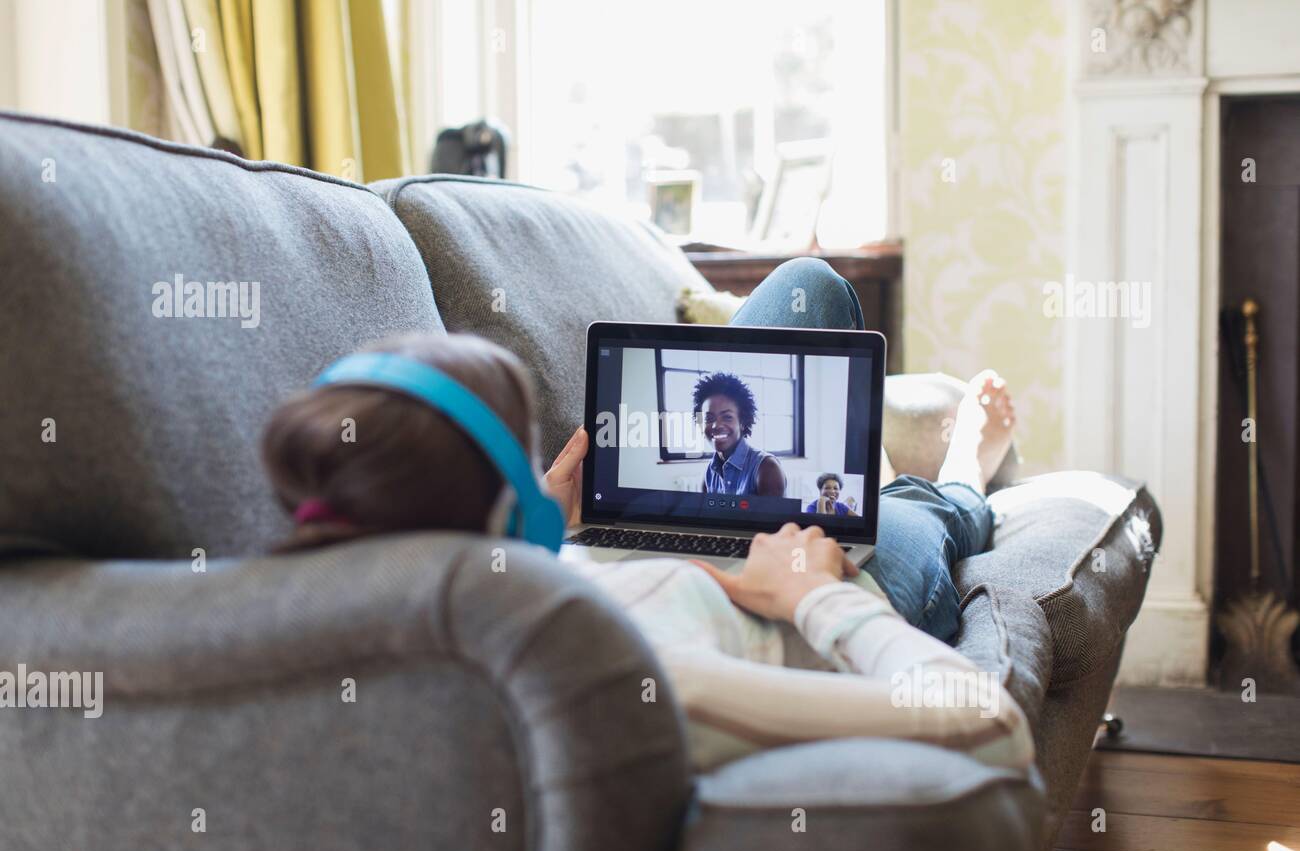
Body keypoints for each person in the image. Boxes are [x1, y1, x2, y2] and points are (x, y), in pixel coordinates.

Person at [261, 259, 1028, 772]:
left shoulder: (283, 621)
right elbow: (990, 725)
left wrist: (555, 536)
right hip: (788, 603)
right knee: (905, 516)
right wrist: (812, 594)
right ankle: (960, 470)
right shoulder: (635, 679)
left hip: (615, 556)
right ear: (511, 509)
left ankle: (864, 468)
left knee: (808, 284)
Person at [694, 371, 786, 496]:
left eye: (727, 417)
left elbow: (775, 516)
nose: (716, 426)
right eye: (709, 418)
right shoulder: (709, 473)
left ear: (742, 422)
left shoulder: (767, 468)